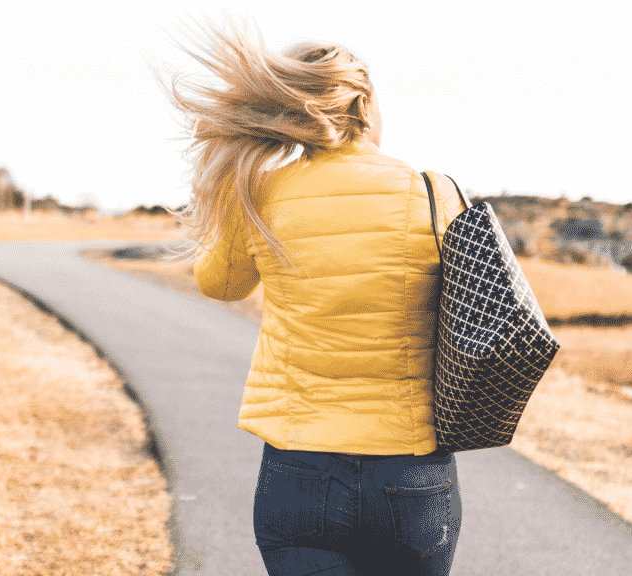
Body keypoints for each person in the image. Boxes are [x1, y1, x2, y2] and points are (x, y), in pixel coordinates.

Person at [171, 16, 467, 576]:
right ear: (365, 105)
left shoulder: (259, 194)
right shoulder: (431, 192)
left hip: (300, 471)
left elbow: (217, 283)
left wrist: (220, 189)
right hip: (410, 472)